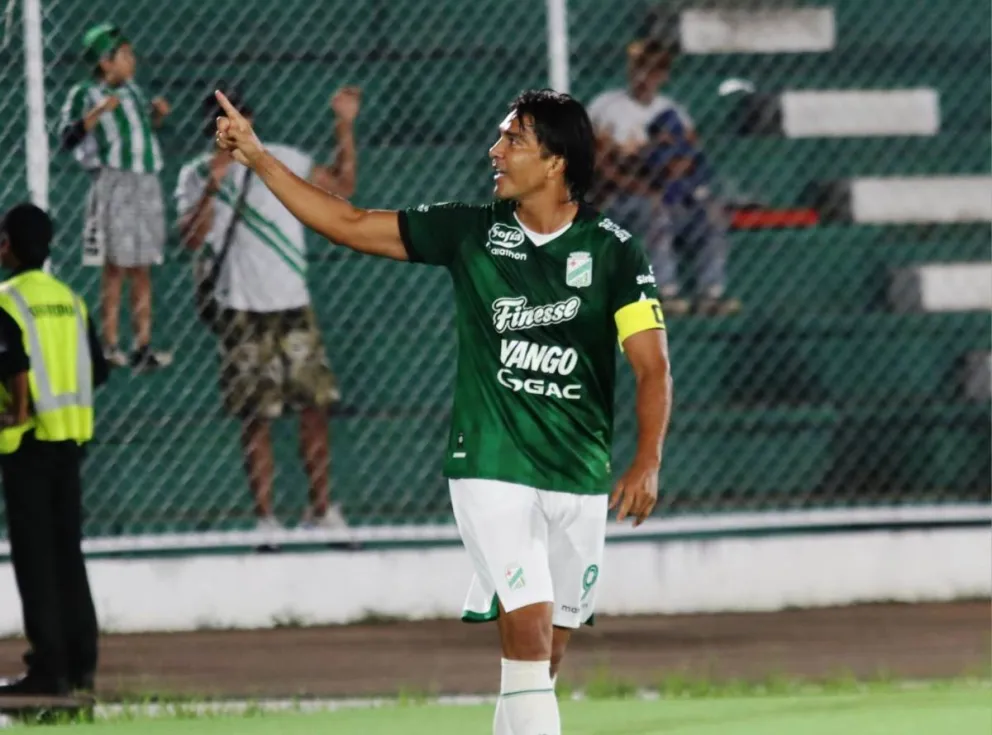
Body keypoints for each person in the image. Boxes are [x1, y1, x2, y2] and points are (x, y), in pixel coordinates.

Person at [215, 86, 673, 735]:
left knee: (543, 659)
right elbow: (347, 222)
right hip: (489, 463)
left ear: (555, 163)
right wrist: (258, 158)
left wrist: (647, 460)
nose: (495, 149)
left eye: (513, 139)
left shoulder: (615, 252)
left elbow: (651, 365)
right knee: (531, 625)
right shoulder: (471, 231)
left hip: (578, 471)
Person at [176, 87, 360, 531]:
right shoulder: (198, 174)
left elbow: (342, 188)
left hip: (291, 302)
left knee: (314, 408)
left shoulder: (283, 160)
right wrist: (214, 188)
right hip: (240, 308)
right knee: (256, 416)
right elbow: (191, 239)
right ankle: (267, 518)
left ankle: (321, 510)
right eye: (222, 124)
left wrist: (344, 125)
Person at [0, 204, 108, 697]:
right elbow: (98, 370)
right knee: (68, 553)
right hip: (71, 441)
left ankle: (49, 668)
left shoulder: (8, 300)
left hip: (27, 444)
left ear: (8, 245)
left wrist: (18, 411)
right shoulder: (71, 300)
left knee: (35, 558)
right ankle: (81, 662)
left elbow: (14, 365)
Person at [588, 38, 740, 316]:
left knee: (712, 212)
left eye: (655, 70)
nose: (646, 76)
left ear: (663, 75)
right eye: (640, 68)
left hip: (670, 194)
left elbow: (690, 158)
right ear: (631, 70)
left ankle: (711, 293)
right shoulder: (606, 106)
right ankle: (666, 292)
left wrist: (664, 163)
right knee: (655, 209)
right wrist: (639, 179)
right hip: (622, 200)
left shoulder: (673, 111)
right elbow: (597, 165)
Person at [59, 22, 173, 372]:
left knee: (143, 267)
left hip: (146, 180)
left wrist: (156, 116)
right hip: (115, 182)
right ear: (105, 63)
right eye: (124, 55)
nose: (131, 61)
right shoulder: (85, 93)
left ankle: (142, 346)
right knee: (116, 267)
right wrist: (95, 115)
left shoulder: (135, 91)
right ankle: (109, 345)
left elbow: (136, 136)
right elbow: (68, 138)